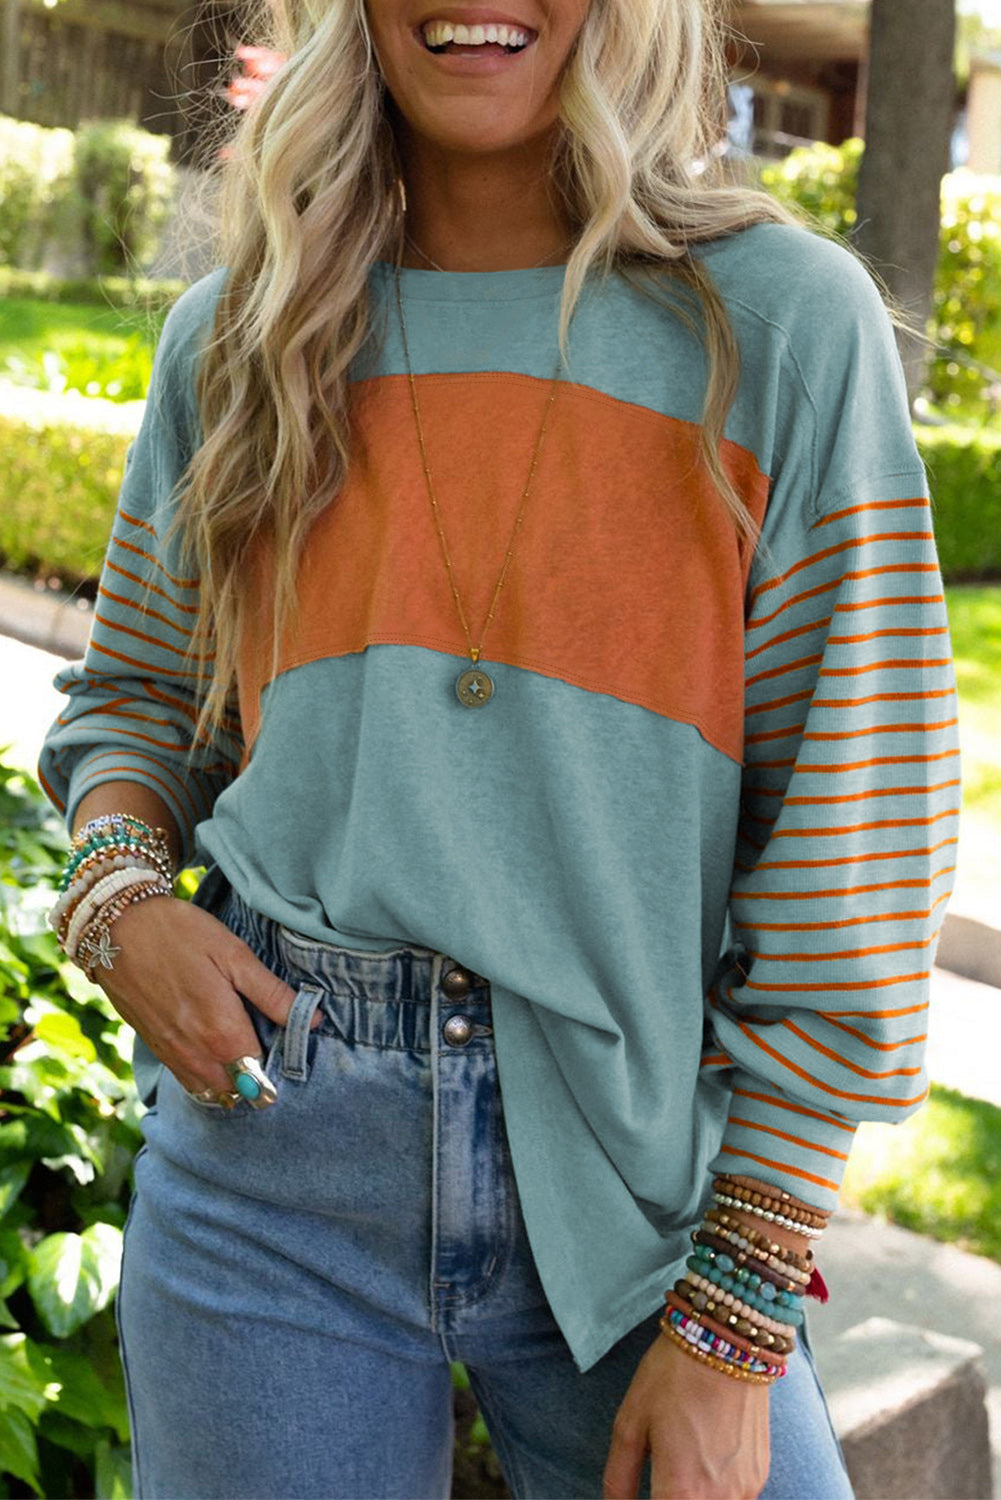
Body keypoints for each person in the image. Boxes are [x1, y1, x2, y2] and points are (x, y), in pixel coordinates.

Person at [38, 0, 959, 1494]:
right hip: (271, 1157)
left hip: (640, 1195)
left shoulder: (778, 325)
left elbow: (855, 846)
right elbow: (140, 701)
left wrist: (736, 1313)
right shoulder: (245, 334)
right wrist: (118, 900)